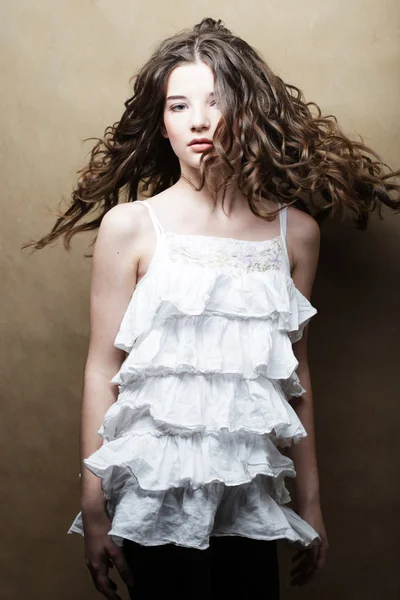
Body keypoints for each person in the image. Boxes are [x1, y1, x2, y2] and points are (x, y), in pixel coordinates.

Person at [23, 17, 399, 600]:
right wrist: (94, 507)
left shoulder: (294, 234)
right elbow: (102, 368)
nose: (198, 119)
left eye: (217, 102)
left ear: (248, 113)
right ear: (163, 124)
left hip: (247, 495)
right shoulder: (132, 228)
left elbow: (294, 376)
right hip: (153, 495)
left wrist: (311, 505)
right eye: (179, 105)